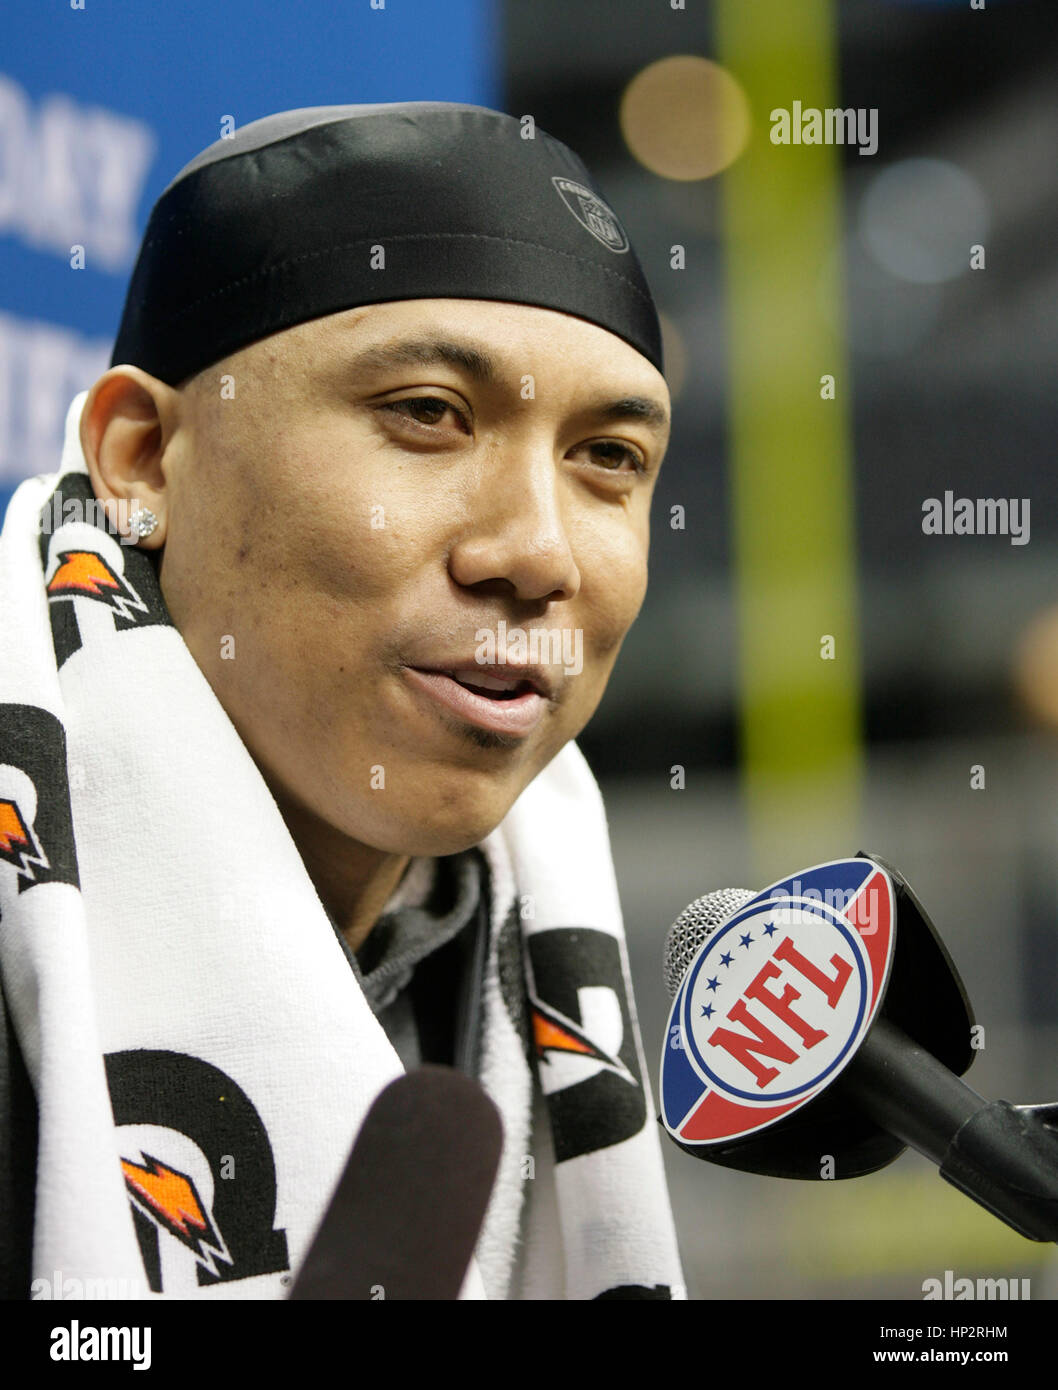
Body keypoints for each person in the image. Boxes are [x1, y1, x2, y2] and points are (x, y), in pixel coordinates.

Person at [0, 102, 685, 1300]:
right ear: (143, 459)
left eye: (607, 459)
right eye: (426, 413)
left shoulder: (496, 958)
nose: (536, 552)